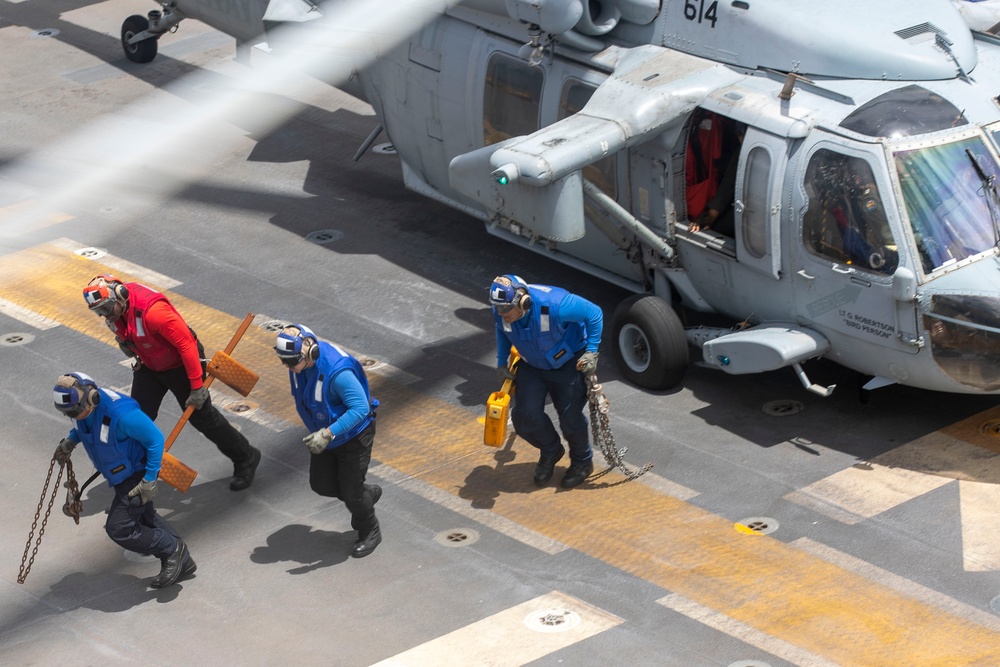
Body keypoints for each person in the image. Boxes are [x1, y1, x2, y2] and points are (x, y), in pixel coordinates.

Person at [82, 275, 261, 491]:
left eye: (107, 308)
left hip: (181, 365)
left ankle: (246, 457)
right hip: (150, 365)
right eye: (100, 311)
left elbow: (187, 346)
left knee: (203, 418)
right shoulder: (116, 311)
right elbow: (129, 331)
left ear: (120, 295)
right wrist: (129, 345)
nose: (106, 315)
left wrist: (197, 386)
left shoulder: (154, 312)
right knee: (135, 419)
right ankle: (135, 479)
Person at [52, 372, 195, 588]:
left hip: (137, 474)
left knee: (119, 527)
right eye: (70, 413)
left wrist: (149, 480)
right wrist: (71, 441)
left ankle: (172, 549)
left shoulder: (122, 414)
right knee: (145, 517)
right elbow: (84, 426)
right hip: (120, 474)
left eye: (77, 410)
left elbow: (155, 440)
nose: (76, 416)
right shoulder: (84, 409)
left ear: (92, 397)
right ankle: (182, 561)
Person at [273, 324, 383, 558]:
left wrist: (327, 433)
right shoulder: (298, 366)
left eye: (291, 362)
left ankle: (370, 529)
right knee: (322, 485)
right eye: (284, 361)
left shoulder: (337, 372)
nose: (287, 367)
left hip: (352, 436)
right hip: (325, 437)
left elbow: (360, 408)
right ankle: (366, 494)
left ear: (309, 353)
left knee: (351, 493)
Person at [489, 275, 603, 488]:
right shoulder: (501, 311)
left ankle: (582, 463)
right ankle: (551, 450)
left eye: (506, 310)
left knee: (570, 420)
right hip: (532, 366)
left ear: (523, 303)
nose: (501, 314)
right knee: (524, 417)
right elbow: (502, 331)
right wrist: (501, 361)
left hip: (568, 364)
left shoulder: (558, 305)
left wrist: (592, 352)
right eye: (498, 309)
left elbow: (594, 313)